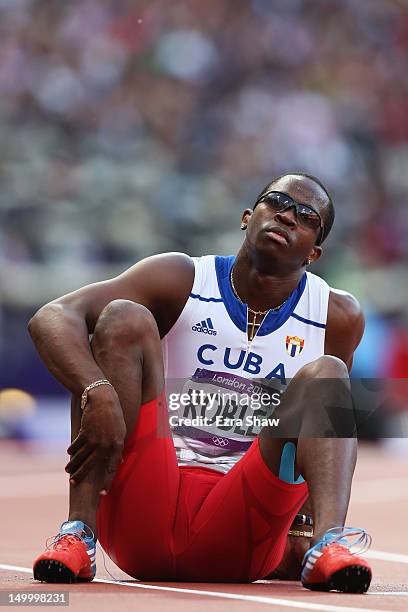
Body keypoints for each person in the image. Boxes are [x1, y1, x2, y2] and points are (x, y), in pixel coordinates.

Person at [29, 172, 372, 592]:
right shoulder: (182, 278)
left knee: (328, 374)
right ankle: (78, 533)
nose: (286, 215)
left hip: (244, 525)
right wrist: (95, 391)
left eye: (305, 216)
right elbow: (52, 317)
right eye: (276, 202)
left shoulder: (335, 315)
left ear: (314, 253)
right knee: (123, 315)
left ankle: (326, 544)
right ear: (248, 216)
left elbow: (321, 438)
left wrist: (300, 530)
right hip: (146, 508)